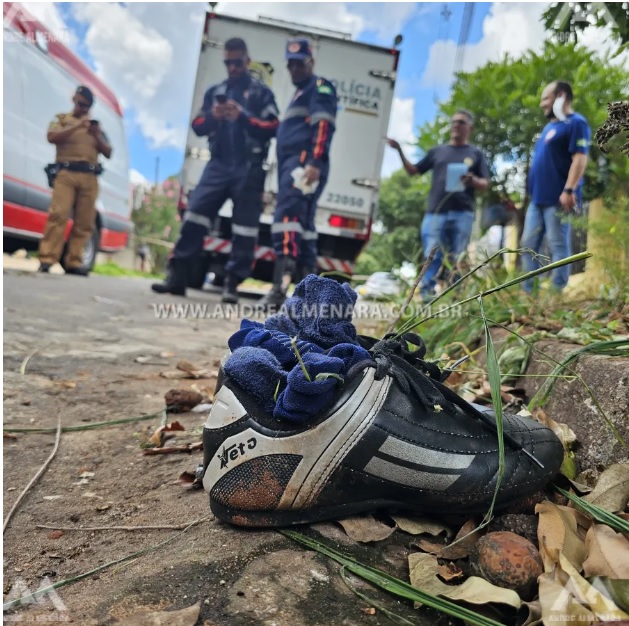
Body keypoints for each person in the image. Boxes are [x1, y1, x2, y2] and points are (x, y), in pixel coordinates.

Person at [152, 38, 280, 302]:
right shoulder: (215, 91)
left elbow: (274, 126)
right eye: (228, 63)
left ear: (247, 61)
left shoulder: (261, 93)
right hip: (218, 163)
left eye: (237, 62)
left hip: (249, 167)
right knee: (195, 216)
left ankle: (232, 284)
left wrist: (243, 116)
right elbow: (198, 125)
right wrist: (215, 116)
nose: (232, 67)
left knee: (245, 228)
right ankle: (177, 278)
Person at [257, 38, 337, 310]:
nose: (294, 69)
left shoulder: (319, 87)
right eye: (290, 65)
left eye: (299, 64)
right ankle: (311, 297)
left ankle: (280, 289)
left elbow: (323, 126)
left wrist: (314, 162)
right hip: (296, 165)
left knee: (287, 220)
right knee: (303, 227)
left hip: (303, 165)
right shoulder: (300, 93)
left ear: (311, 62)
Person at [386, 110, 489, 300]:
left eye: (461, 122)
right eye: (454, 122)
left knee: (457, 257)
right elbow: (413, 171)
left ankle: (454, 298)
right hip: (435, 213)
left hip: (463, 214)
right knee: (431, 256)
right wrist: (399, 149)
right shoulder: (437, 152)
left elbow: (485, 184)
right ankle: (426, 298)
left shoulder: (476, 154)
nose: (456, 125)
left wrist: (472, 180)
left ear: (470, 128)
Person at [521, 81, 590, 294]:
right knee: (527, 246)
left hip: (558, 198)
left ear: (560, 96)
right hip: (537, 199)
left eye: (545, 98)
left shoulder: (576, 123)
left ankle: (556, 294)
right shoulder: (550, 127)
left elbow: (580, 158)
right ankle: (529, 295)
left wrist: (569, 190)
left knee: (558, 246)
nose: (542, 104)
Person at [38, 85, 112, 276]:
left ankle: (75, 261)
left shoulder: (96, 128)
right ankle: (47, 259)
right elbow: (51, 136)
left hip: (90, 177)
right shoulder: (63, 120)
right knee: (58, 215)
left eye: (86, 106)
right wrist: (77, 126)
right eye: (80, 104)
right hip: (66, 174)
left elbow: (109, 152)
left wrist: (96, 134)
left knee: (85, 221)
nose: (82, 108)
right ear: (74, 100)